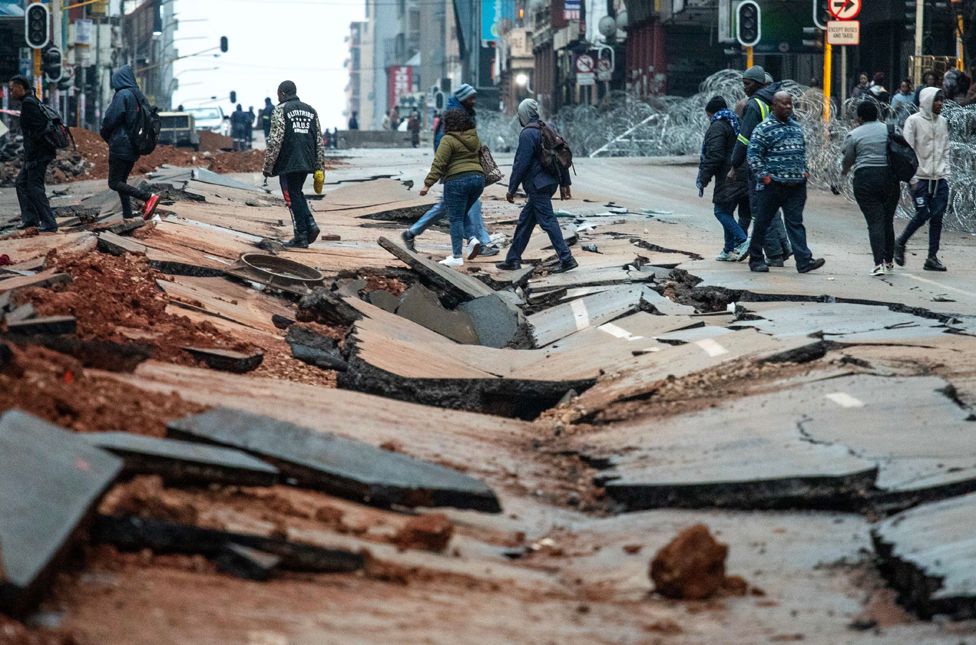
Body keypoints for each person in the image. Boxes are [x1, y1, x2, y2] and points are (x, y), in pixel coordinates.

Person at [403, 83, 497, 257]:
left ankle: (411, 233)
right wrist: (437, 177)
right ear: (462, 98)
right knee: (470, 207)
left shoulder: (465, 114)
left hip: (464, 173)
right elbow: (442, 148)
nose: (474, 101)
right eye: (471, 98)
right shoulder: (454, 117)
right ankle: (478, 244)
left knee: (446, 207)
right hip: (456, 175)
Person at [746, 91, 825, 274]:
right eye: (784, 104)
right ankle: (756, 259)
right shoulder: (763, 128)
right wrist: (764, 176)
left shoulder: (796, 127)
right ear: (774, 106)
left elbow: (801, 152)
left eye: (790, 104)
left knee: (795, 223)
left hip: (796, 185)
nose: (788, 107)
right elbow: (753, 155)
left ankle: (804, 261)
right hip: (772, 185)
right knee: (763, 223)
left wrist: (804, 171)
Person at [496, 99, 577, 273]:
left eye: (519, 115)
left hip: (537, 185)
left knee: (548, 221)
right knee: (525, 222)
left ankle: (567, 258)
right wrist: (565, 183)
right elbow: (560, 155)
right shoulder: (546, 129)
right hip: (549, 183)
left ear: (524, 115)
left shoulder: (528, 134)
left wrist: (511, 188)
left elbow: (521, 164)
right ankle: (513, 259)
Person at [729, 65, 792, 266]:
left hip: (758, 164)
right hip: (777, 162)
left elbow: (744, 138)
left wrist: (734, 163)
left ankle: (774, 255)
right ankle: (783, 249)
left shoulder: (755, 105)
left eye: (747, 84)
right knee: (773, 209)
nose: (744, 88)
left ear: (757, 84)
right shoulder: (776, 104)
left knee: (761, 210)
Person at [263, 80, 326, 248]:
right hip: (307, 159)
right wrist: (319, 166)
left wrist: (268, 167)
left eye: (278, 94)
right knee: (297, 192)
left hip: (289, 160)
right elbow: (318, 140)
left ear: (282, 93)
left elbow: (275, 140)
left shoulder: (281, 110)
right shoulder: (311, 110)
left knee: (292, 195)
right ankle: (310, 225)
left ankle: (301, 235)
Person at [418, 109, 485, 267]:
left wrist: (427, 184)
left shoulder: (448, 139)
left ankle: (456, 256)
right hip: (478, 180)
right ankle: (472, 239)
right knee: (461, 214)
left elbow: (439, 163)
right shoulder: (474, 137)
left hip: (457, 181)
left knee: (455, 218)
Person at [842, 101, 900, 276]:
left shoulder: (854, 134)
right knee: (887, 220)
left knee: (875, 221)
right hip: (890, 178)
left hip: (865, 180)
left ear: (859, 117)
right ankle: (889, 261)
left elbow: (848, 160)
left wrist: (843, 173)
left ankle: (878, 263)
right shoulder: (890, 129)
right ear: (877, 114)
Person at [895, 87, 949, 271]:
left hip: (939, 178)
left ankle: (932, 257)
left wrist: (946, 172)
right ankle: (901, 242)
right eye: (936, 100)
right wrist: (912, 178)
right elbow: (906, 150)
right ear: (927, 101)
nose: (940, 103)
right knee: (923, 213)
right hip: (920, 178)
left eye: (941, 100)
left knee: (937, 218)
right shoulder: (914, 121)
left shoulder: (942, 122)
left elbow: (946, 148)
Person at [99, 65, 160, 221]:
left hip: (121, 144)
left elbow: (110, 119)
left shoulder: (123, 95)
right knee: (122, 182)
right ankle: (128, 215)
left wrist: (105, 133)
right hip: (134, 146)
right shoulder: (138, 95)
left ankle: (148, 197)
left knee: (114, 182)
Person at [697, 96, 750, 262]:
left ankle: (742, 241)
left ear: (712, 113)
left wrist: (703, 178)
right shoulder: (738, 122)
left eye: (708, 116)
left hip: (729, 175)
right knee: (730, 212)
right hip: (745, 172)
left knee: (720, 211)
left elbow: (714, 156)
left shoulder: (718, 127)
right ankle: (729, 249)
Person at [8, 75, 58, 231]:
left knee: (34, 187)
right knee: (21, 183)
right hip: (36, 154)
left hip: (38, 155)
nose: (10, 93)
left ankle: (49, 223)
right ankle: (30, 219)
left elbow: (38, 132)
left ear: (20, 87)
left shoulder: (29, 104)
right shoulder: (30, 101)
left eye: (12, 89)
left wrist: (33, 156)